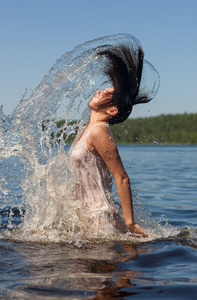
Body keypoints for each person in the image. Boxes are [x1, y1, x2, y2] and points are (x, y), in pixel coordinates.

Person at [70, 44, 154, 238]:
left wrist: (130, 223)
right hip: (87, 218)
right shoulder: (86, 129)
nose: (99, 91)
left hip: (101, 220)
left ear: (112, 110)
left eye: (106, 94)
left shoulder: (100, 132)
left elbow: (122, 177)